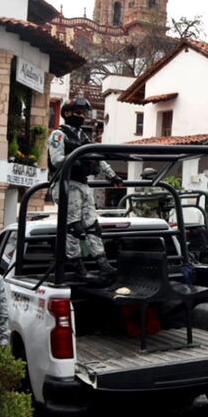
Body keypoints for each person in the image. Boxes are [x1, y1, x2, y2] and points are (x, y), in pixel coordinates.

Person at [48, 96, 123, 281]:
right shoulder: (58, 134)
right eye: (78, 113)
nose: (81, 116)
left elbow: (98, 157)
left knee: (92, 225)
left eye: (83, 113)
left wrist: (112, 175)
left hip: (83, 184)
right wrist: (78, 159)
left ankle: (103, 264)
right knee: (74, 227)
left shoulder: (85, 137)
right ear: (66, 113)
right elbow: (56, 160)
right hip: (66, 184)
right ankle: (78, 268)